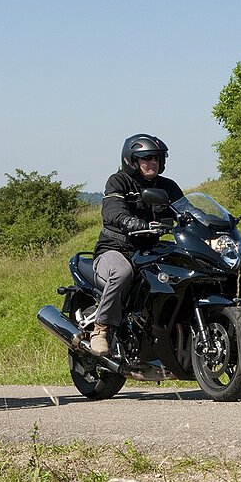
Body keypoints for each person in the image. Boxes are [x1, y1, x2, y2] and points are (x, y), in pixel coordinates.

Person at [90, 134, 184, 357]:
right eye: (146, 157)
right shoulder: (119, 181)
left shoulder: (167, 187)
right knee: (122, 272)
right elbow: (112, 209)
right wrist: (129, 221)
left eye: (157, 158)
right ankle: (101, 329)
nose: (153, 162)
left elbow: (187, 211)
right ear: (131, 160)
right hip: (116, 249)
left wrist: (210, 224)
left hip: (149, 251)